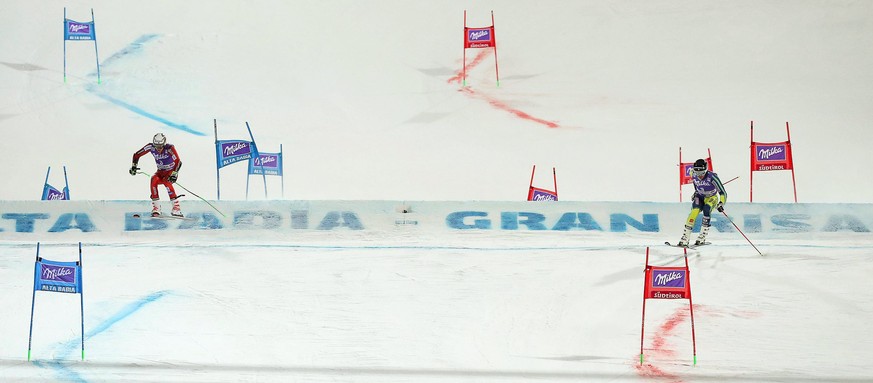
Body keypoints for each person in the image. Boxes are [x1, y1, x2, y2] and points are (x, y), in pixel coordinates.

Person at [129, 133, 184, 217]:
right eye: (156, 146)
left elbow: (178, 162)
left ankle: (176, 208)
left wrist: (174, 174)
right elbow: (137, 154)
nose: (158, 149)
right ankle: (156, 207)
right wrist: (134, 166)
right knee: (153, 179)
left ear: (164, 144)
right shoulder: (150, 147)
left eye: (161, 146)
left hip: (170, 171)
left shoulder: (170, 148)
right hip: (160, 171)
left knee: (167, 181)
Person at [677, 158, 727, 246]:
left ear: (706, 170)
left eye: (701, 173)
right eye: (697, 172)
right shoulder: (693, 173)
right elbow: (695, 184)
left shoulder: (712, 177)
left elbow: (723, 193)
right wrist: (696, 192)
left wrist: (721, 203)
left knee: (706, 209)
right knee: (694, 212)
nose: (699, 175)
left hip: (711, 197)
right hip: (700, 196)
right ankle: (685, 237)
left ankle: (702, 237)